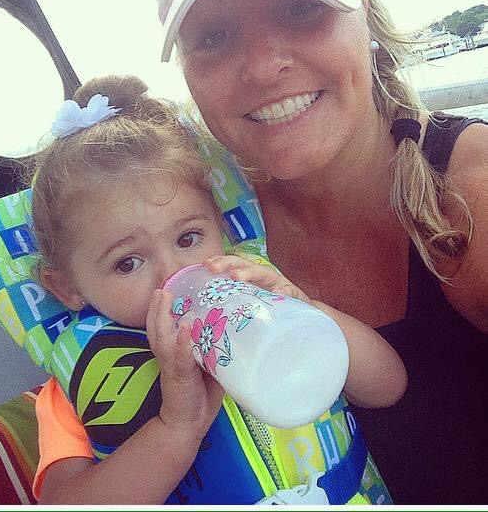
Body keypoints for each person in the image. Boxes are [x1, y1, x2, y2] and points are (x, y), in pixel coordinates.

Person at [149, 0, 488, 504]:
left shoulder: (471, 194)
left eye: (299, 8)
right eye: (214, 36)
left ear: (366, 18)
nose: (263, 65)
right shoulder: (188, 221)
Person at [30, 74, 406, 504]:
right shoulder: (81, 377)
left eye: (188, 238)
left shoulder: (266, 302)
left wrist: (306, 311)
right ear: (67, 288)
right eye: (127, 263)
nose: (172, 272)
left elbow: (388, 387)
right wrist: (177, 427)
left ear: (220, 227)